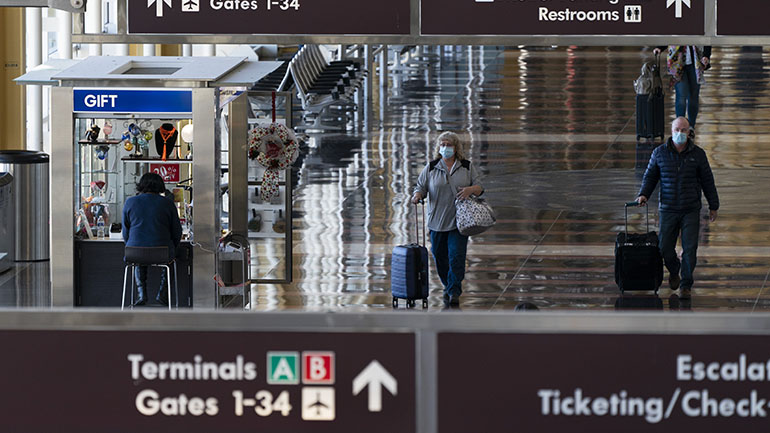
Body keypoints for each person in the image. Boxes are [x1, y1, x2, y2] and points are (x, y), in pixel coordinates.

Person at [635, 117, 719, 298]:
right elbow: (650, 176)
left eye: (683, 130)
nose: (680, 133)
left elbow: (707, 181)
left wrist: (714, 205)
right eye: (677, 129)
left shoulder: (698, 155)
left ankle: (686, 285)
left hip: (690, 209)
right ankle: (674, 270)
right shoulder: (659, 153)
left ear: (689, 133)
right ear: (671, 131)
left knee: (689, 249)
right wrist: (644, 194)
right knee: (664, 247)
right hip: (668, 208)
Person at [412, 132, 483, 306]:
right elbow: (421, 186)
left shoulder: (466, 166)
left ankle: (454, 291)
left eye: (449, 144)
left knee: (457, 256)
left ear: (456, 147)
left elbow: (480, 188)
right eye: (442, 144)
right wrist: (417, 195)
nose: (445, 148)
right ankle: (448, 284)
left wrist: (470, 190)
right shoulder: (431, 167)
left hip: (460, 222)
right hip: (437, 221)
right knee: (439, 255)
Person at [123, 173, 182, 306]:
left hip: (133, 252)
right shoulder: (167, 203)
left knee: (139, 259)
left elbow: (125, 231)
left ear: (141, 185)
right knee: (171, 260)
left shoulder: (130, 202)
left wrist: (131, 244)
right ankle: (162, 294)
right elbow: (177, 231)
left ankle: (141, 294)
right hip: (162, 252)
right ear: (160, 186)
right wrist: (173, 247)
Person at [653, 46, 712, 138]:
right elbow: (670, 33)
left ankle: (691, 127)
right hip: (677, 63)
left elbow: (707, 39)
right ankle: (679, 127)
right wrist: (660, 47)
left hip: (695, 62)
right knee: (681, 95)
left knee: (693, 96)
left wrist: (706, 56)